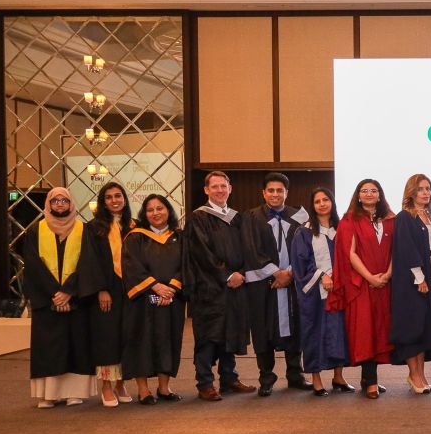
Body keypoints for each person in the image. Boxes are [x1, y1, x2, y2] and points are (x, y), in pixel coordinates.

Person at [25, 187, 104, 408]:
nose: (60, 204)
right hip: (47, 300)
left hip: (76, 300)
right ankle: (48, 395)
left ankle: (74, 393)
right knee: (48, 347)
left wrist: (69, 291)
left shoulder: (83, 230)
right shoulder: (36, 230)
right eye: (55, 201)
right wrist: (55, 294)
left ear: (71, 204)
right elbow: (33, 266)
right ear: (48, 204)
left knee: (76, 346)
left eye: (64, 200)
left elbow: (88, 263)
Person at [182, 171, 255, 401]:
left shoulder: (236, 217)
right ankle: (205, 383)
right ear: (206, 190)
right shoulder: (198, 218)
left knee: (229, 333)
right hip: (210, 288)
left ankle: (229, 379)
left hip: (235, 286)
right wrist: (227, 275)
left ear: (230, 189)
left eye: (223, 186)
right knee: (209, 336)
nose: (220, 190)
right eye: (215, 186)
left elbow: (247, 248)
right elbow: (201, 253)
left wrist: (241, 273)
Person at [242, 172, 310, 396]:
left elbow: (305, 247)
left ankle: (295, 374)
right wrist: (275, 273)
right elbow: (250, 249)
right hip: (263, 283)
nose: (275, 194)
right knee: (263, 327)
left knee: (295, 325)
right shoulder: (251, 217)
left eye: (279, 190)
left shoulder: (299, 216)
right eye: (270, 190)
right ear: (263, 193)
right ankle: (266, 377)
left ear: (286, 193)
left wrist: (289, 272)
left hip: (292, 280)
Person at [330, 178, 393, 399]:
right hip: (362, 284)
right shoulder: (349, 220)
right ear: (358, 195)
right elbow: (350, 253)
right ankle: (371, 381)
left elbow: (396, 249)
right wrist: (370, 278)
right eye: (364, 190)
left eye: (373, 190)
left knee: (380, 330)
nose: (369, 194)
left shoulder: (390, 219)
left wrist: (388, 274)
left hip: (385, 282)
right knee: (365, 331)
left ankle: (369, 378)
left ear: (380, 194)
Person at [121, 194, 186, 404]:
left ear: (168, 210)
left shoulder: (180, 237)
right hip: (143, 300)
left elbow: (186, 265)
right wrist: (156, 287)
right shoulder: (135, 237)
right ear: (144, 213)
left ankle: (164, 388)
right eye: (150, 210)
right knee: (142, 340)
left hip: (172, 299)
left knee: (169, 339)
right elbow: (131, 266)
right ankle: (143, 390)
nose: (156, 213)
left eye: (160, 208)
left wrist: (171, 289)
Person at [291, 187, 353, 397]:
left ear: (332, 202)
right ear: (312, 205)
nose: (322, 204)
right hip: (315, 294)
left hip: (340, 290)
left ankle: (338, 376)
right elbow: (300, 263)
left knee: (339, 331)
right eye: (317, 201)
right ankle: (316, 379)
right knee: (314, 332)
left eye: (326, 199)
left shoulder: (341, 228)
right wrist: (322, 275)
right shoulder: (304, 232)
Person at [391, 174, 431, 393]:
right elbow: (406, 248)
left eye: (428, 188)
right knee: (412, 327)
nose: (425, 193)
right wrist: (419, 277)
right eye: (421, 189)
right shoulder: (404, 217)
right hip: (412, 281)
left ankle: (421, 376)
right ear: (411, 192)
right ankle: (414, 375)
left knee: (424, 328)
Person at [85, 181, 134, 407]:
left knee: (126, 335)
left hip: (130, 289)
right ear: (103, 202)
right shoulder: (94, 228)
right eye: (109, 197)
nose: (114, 200)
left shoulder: (133, 225)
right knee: (107, 337)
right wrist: (101, 289)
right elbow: (90, 261)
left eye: (118, 196)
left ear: (124, 198)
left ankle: (121, 383)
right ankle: (106, 385)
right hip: (107, 289)